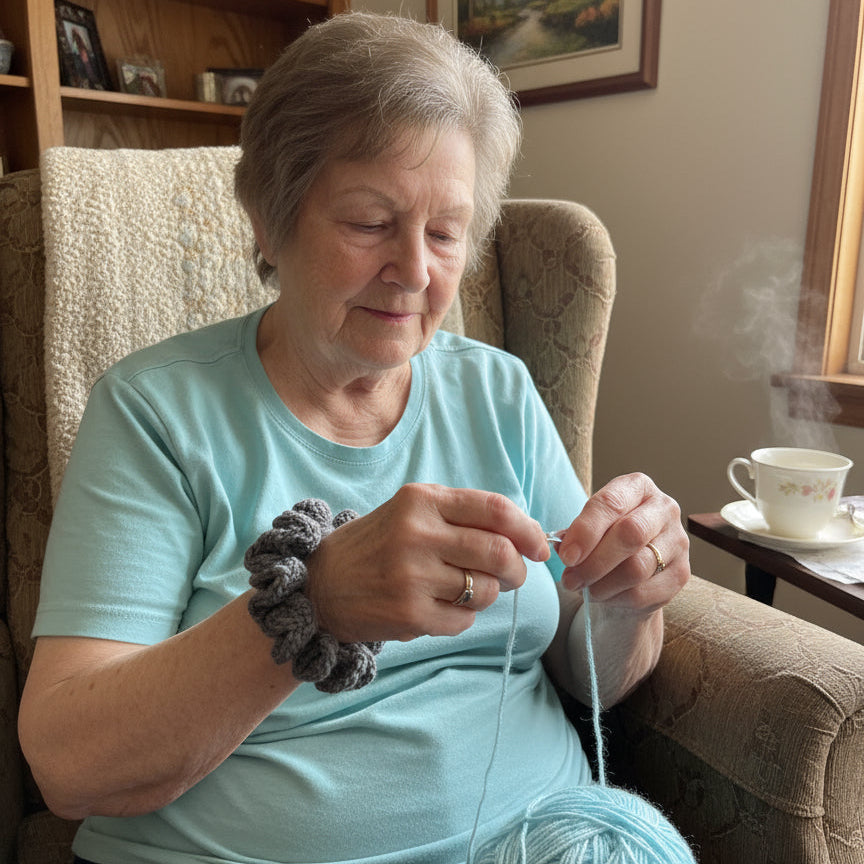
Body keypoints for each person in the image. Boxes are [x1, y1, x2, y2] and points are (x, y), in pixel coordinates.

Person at [18, 12, 690, 864]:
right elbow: (68, 767)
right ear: (269, 218)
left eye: (445, 233)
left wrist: (630, 598)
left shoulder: (498, 389)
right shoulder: (157, 413)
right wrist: (313, 607)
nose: (415, 271)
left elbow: (592, 669)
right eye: (371, 222)